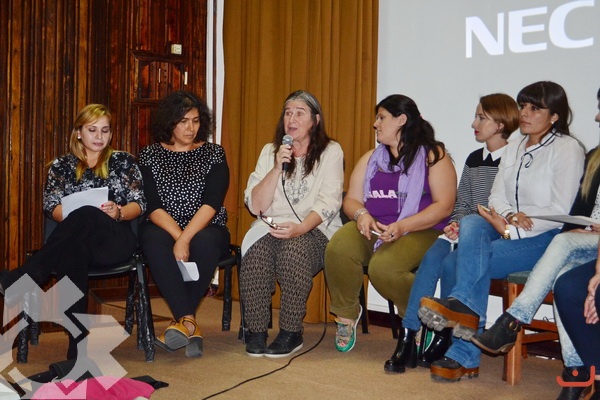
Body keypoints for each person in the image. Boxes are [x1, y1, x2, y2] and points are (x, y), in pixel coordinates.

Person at [418, 81, 585, 382]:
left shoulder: (566, 149)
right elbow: (496, 196)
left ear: (555, 116)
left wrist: (510, 228)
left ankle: (464, 353)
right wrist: (507, 218)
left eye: (535, 108)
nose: (525, 113)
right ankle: (465, 325)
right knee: (472, 223)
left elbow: (561, 209)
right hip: (506, 230)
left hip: (545, 238)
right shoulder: (515, 147)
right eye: (523, 106)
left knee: (456, 262)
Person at [0, 104, 146, 359]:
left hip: (115, 240)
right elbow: (51, 207)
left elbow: (140, 203)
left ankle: (25, 276)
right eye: (92, 130)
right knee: (73, 248)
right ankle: (77, 346)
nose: (99, 136)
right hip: (75, 240)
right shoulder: (61, 165)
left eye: (105, 130)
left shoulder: (123, 161)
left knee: (88, 213)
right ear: (78, 132)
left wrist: (118, 212)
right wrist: (75, 218)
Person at [387, 93, 520, 374]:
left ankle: (445, 335)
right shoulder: (474, 158)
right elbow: (462, 202)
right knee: (432, 256)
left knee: (450, 264)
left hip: (492, 234)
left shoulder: (514, 159)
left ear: (500, 124)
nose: (474, 123)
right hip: (464, 228)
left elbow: (509, 209)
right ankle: (408, 335)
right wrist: (455, 223)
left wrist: (471, 223)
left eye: (481, 118)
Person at [324, 94, 457, 369]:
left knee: (383, 268)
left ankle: (420, 317)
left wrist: (403, 225)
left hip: (420, 230)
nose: (375, 124)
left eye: (381, 117)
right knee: (338, 248)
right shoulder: (371, 159)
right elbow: (351, 200)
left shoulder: (434, 156)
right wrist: (361, 215)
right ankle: (346, 315)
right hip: (376, 227)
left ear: (401, 120)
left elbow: (444, 206)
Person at [240, 90, 344, 358]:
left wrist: (300, 228)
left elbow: (329, 201)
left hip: (315, 228)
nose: (292, 119)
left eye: (300, 113)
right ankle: (256, 331)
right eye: (288, 113)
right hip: (270, 225)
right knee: (256, 253)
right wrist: (276, 168)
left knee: (293, 253)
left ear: (315, 120)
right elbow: (256, 206)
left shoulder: (331, 151)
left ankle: (291, 331)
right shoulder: (270, 152)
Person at [138, 91, 230, 358]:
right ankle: (189, 321)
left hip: (206, 226)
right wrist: (179, 237)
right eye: (183, 121)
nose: (191, 128)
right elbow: (152, 205)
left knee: (206, 241)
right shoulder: (149, 155)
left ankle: (182, 322)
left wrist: (185, 238)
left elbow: (212, 203)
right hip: (164, 225)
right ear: (169, 123)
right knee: (152, 239)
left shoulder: (214, 153)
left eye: (196, 121)